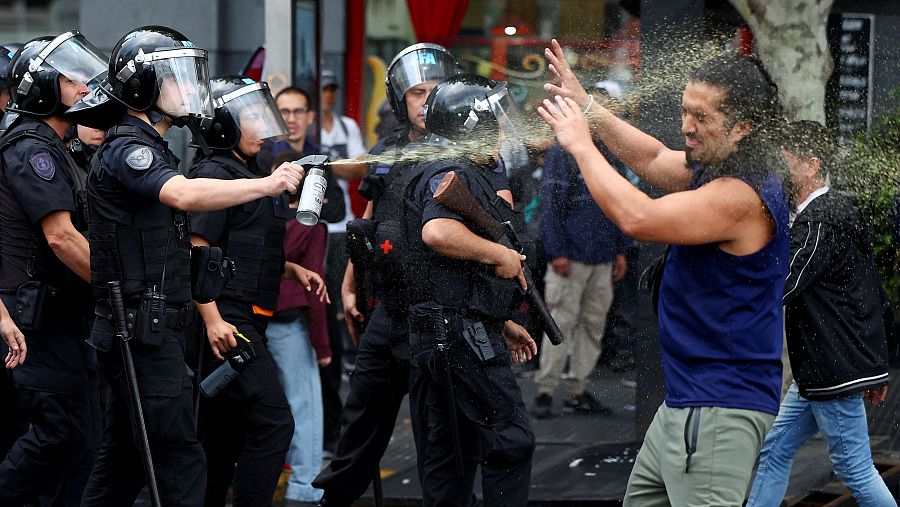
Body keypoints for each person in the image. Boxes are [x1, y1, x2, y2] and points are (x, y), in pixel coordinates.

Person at [539, 42, 792, 506]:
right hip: (688, 401)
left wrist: (580, 145)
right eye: (684, 111)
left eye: (701, 118)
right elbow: (654, 158)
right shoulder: (719, 166)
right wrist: (588, 107)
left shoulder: (740, 194)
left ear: (744, 128)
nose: (685, 127)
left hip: (717, 409)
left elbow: (638, 218)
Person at [73, 26, 305, 507]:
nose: (189, 89)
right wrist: (268, 184)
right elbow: (182, 193)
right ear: (142, 87)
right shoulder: (126, 149)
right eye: (175, 78)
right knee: (181, 458)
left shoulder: (151, 147)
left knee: (123, 461)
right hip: (137, 331)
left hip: (146, 329)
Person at [312, 42, 460, 507]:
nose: (427, 100)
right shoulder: (389, 147)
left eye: (436, 90)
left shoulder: (466, 148)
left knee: (437, 438)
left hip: (439, 316)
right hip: (389, 311)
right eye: (418, 92)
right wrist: (351, 279)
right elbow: (370, 215)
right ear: (401, 99)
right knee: (359, 425)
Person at [745, 121, 894, 507]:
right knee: (774, 451)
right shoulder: (835, 212)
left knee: (856, 470)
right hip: (822, 369)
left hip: (832, 370)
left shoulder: (819, 221)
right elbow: (872, 294)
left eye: (785, 159)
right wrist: (879, 364)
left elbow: (784, 284)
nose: (775, 167)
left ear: (811, 165)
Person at [406, 74, 538, 506]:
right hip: (459, 334)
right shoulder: (453, 171)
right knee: (510, 441)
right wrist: (498, 256)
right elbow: (438, 233)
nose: (503, 128)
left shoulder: (452, 168)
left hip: (445, 330)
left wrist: (497, 323)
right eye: (495, 119)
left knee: (451, 458)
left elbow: (444, 271)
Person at [190, 76, 321, 506]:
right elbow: (197, 250)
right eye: (250, 118)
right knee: (273, 422)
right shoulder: (214, 173)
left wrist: (288, 270)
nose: (263, 128)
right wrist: (212, 320)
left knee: (223, 434)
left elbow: (239, 248)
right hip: (228, 320)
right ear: (223, 122)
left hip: (243, 316)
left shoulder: (242, 173)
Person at [0, 31, 108, 506]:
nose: (85, 88)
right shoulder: (32, 147)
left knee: (83, 440)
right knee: (59, 433)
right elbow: (61, 238)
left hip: (60, 317)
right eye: (72, 79)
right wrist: (118, 286)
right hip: (32, 319)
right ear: (42, 84)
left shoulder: (58, 146)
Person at [532, 141, 630, 418]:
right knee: (559, 325)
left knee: (592, 326)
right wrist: (556, 252)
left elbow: (619, 200)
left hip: (602, 256)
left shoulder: (610, 151)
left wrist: (620, 248)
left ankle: (577, 388)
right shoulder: (562, 152)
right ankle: (546, 390)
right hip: (570, 257)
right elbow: (549, 204)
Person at [267, 151, 332, 505]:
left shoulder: (266, 216)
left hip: (255, 318)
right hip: (292, 323)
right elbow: (314, 290)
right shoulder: (312, 226)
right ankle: (304, 485)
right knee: (305, 406)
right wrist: (322, 348)